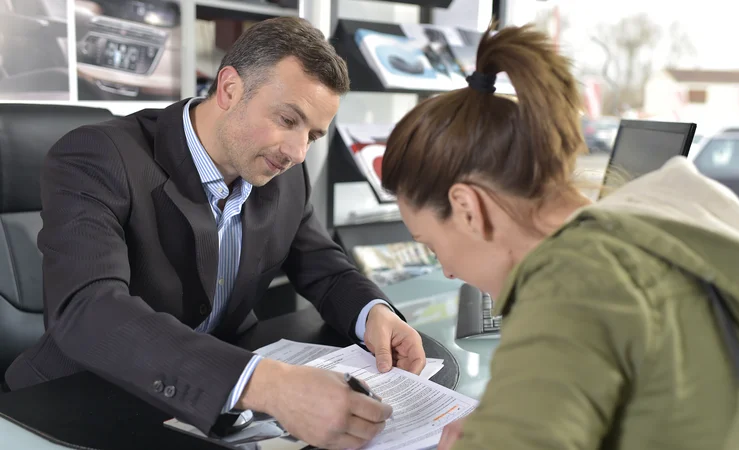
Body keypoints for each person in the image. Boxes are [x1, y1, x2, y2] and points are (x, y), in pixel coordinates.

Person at [5, 17, 426, 450]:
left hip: (211, 404)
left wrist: (374, 312)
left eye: (313, 136)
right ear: (229, 89)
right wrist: (268, 385)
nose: (297, 152)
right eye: (287, 119)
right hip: (79, 402)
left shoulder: (283, 177)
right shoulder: (97, 156)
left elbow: (326, 269)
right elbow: (87, 310)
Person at [380, 23, 739, 450]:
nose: (447, 271)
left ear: (469, 208)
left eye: (432, 244)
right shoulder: (660, 224)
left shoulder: (573, 282)